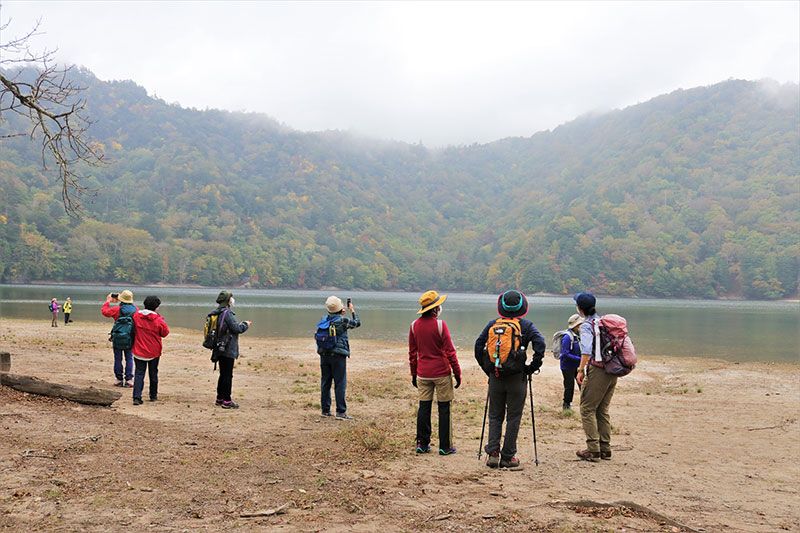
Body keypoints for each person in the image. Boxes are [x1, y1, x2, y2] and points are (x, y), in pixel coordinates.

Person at [474, 290, 545, 470]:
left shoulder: (493, 324)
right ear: (523, 306)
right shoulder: (526, 326)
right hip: (517, 378)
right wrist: (531, 368)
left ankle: (492, 454)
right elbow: (541, 345)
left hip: (496, 377)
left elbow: (478, 346)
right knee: (514, 417)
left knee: (495, 415)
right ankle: (508, 457)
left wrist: (487, 368)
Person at [408, 290, 462, 455]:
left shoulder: (414, 326)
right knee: (444, 408)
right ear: (435, 309)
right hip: (441, 373)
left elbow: (412, 354)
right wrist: (457, 373)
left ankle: (422, 444)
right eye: (438, 305)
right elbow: (450, 352)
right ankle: (445, 447)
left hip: (423, 374)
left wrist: (414, 374)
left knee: (424, 408)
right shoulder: (440, 325)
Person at [574, 292, 616, 462]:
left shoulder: (586, 326)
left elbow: (585, 350)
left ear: (580, 309)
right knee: (602, 409)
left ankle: (593, 449)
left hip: (598, 370)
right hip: (612, 369)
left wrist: (580, 370)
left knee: (587, 408)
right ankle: (605, 448)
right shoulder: (604, 322)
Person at [317, 295, 360, 420]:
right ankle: (341, 412)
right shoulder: (342, 320)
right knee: (340, 382)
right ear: (341, 309)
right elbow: (357, 323)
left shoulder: (324, 319)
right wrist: (352, 310)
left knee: (325, 381)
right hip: (338, 355)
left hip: (324, 354)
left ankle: (325, 410)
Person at [210, 291, 250, 409]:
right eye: (231, 297)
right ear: (228, 300)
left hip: (219, 347)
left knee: (223, 374)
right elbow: (236, 328)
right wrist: (245, 324)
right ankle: (227, 400)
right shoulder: (227, 313)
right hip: (227, 348)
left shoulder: (217, 312)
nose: (233, 299)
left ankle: (219, 398)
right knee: (227, 375)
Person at [131, 296, 170, 405]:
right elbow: (165, 333)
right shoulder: (158, 320)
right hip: (154, 350)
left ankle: (136, 397)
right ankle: (153, 395)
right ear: (156, 307)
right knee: (153, 373)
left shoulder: (136, 316)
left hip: (138, 349)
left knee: (139, 373)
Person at [101, 290, 137, 387]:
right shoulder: (136, 310)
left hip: (117, 336)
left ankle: (118, 379)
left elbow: (105, 312)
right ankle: (129, 380)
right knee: (129, 358)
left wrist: (108, 301)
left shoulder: (117, 309)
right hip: (130, 337)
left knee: (118, 358)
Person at [559, 313, 584, 411]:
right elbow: (565, 354)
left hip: (578, 366)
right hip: (567, 366)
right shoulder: (567, 337)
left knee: (583, 384)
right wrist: (580, 359)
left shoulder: (578, 335)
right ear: (576, 326)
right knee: (569, 386)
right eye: (580, 324)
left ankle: (586, 404)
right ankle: (566, 405)